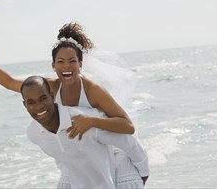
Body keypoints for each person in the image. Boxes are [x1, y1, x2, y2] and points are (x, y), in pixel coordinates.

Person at [0, 22, 147, 187]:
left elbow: (128, 126)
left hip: (111, 148)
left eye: (72, 61)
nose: (66, 67)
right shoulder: (49, 87)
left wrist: (91, 121)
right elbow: (10, 82)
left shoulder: (92, 90)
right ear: (53, 65)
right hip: (81, 154)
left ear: (80, 64)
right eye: (61, 62)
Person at [21, 75, 149, 188]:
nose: (38, 106)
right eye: (31, 102)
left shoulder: (84, 122)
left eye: (43, 98)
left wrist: (143, 173)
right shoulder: (34, 134)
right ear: (25, 105)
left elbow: (128, 141)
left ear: (52, 96)